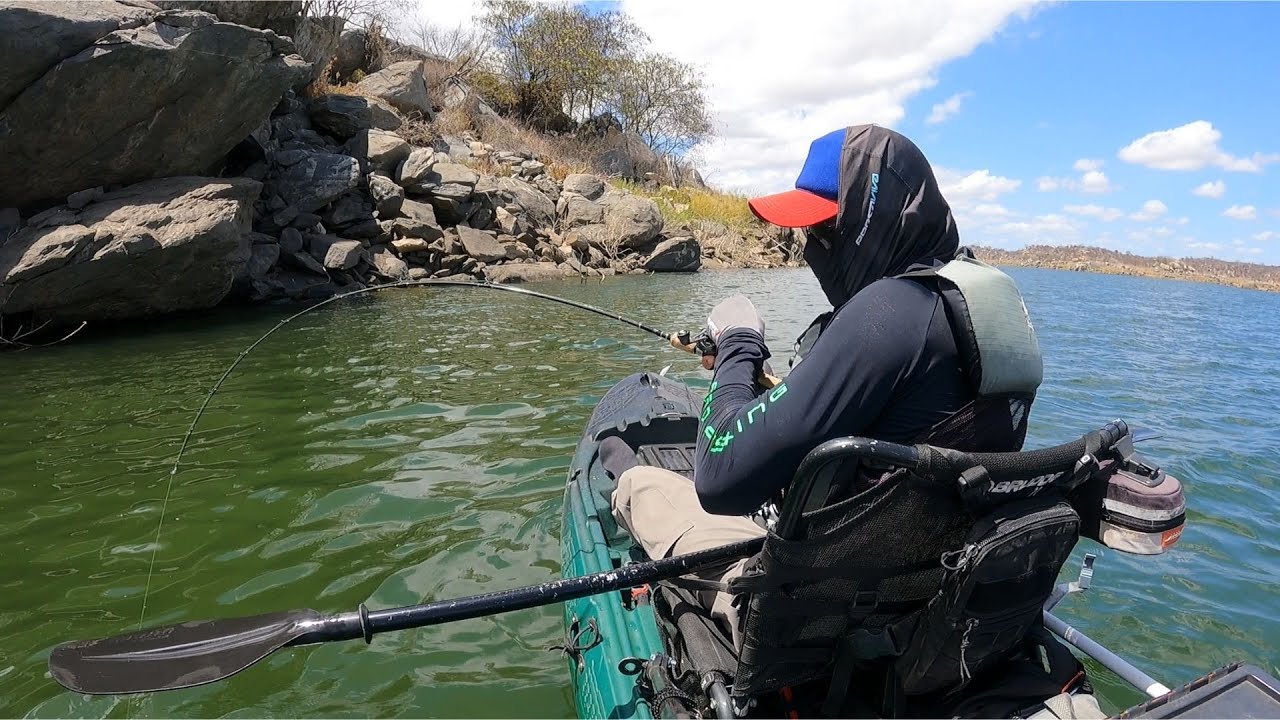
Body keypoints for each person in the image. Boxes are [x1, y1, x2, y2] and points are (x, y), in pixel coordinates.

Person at [603, 124, 1034, 647]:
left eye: (826, 230)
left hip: (820, 620)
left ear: (875, 217)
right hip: (931, 605)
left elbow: (718, 478)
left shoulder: (886, 313)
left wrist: (738, 344)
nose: (812, 248)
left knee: (638, 481)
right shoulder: (980, 308)